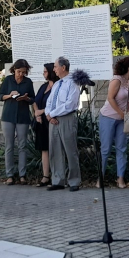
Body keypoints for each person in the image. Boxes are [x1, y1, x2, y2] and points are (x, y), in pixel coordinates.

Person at [44, 56, 82, 191]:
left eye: (55, 67)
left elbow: (70, 104)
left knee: (70, 150)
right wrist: (49, 116)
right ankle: (58, 180)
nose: (54, 69)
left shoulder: (73, 82)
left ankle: (74, 181)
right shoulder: (56, 84)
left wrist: (52, 114)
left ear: (63, 67)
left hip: (66, 118)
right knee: (55, 150)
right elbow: (49, 102)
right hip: (53, 120)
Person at [100, 56, 129, 189]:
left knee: (122, 148)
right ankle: (100, 178)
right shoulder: (117, 80)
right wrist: (121, 113)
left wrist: (128, 111)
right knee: (106, 149)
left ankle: (120, 179)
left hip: (122, 119)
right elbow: (110, 98)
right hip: (108, 117)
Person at [0, 59, 34, 185]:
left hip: (23, 116)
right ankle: (10, 175)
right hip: (8, 116)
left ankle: (22, 175)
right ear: (14, 70)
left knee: (22, 145)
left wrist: (26, 98)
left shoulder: (28, 82)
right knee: (9, 146)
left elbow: (33, 99)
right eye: (19, 72)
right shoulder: (8, 80)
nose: (21, 74)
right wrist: (10, 95)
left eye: (23, 72)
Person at [32, 63, 58, 187]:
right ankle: (45, 176)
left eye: (45, 71)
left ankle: (57, 176)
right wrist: (37, 113)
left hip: (52, 120)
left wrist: (42, 111)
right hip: (41, 122)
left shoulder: (57, 86)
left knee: (55, 149)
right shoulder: (43, 86)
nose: (43, 73)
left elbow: (55, 105)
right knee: (44, 149)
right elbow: (35, 101)